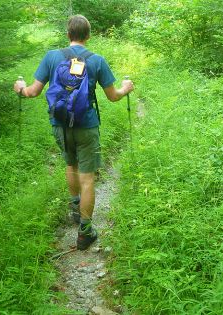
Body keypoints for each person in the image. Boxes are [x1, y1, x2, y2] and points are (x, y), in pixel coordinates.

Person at [13, 15, 134, 250]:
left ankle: (74, 207)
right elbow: (113, 96)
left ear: (68, 34)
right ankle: (85, 232)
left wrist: (20, 88)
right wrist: (126, 88)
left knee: (71, 165)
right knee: (88, 178)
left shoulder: (51, 57)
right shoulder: (97, 60)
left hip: (59, 125)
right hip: (87, 127)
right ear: (88, 36)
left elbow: (32, 92)